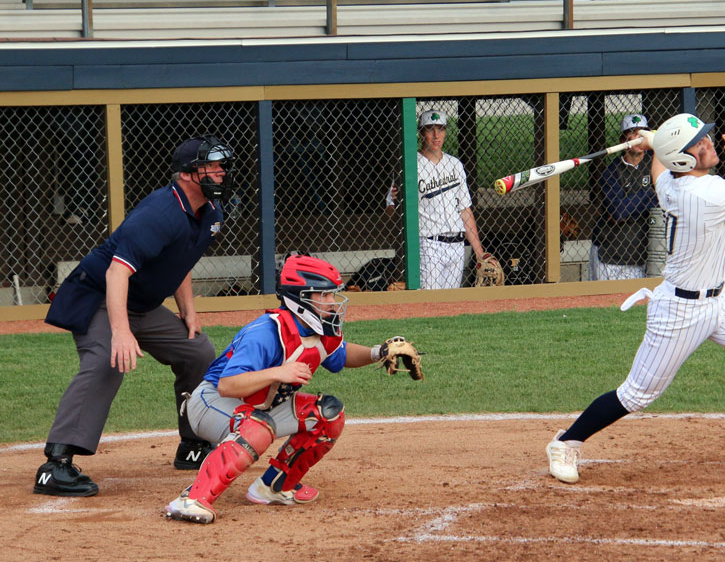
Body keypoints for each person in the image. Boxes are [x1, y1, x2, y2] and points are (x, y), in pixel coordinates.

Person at [546, 113, 725, 489]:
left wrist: (653, 142)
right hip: (680, 310)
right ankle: (566, 442)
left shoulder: (673, 183)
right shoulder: (705, 193)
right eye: (700, 143)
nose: (709, 143)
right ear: (684, 159)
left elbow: (658, 169)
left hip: (721, 298)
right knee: (636, 394)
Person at [35, 135, 236, 498]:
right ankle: (56, 464)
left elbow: (181, 261)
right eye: (213, 165)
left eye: (223, 165)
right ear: (188, 174)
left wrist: (188, 313)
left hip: (140, 303)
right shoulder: (159, 212)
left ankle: (193, 444)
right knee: (106, 360)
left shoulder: (210, 212)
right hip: (97, 297)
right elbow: (116, 273)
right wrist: (121, 331)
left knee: (199, 352)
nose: (222, 172)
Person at [165, 254, 411, 524]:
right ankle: (192, 499)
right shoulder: (266, 332)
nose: (332, 302)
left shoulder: (318, 330)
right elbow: (227, 385)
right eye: (324, 295)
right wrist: (278, 372)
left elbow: (341, 355)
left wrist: (379, 352)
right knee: (257, 428)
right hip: (211, 403)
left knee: (328, 414)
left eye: (332, 295)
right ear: (301, 298)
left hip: (259, 407)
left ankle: (274, 487)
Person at [386, 109, 488, 289]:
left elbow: (465, 210)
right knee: (430, 301)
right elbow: (390, 211)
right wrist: (397, 203)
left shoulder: (455, 164)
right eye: (430, 129)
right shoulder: (409, 166)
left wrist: (480, 253)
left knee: (451, 303)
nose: (436, 135)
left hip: (457, 245)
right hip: (429, 244)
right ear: (420, 133)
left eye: (440, 129)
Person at [590, 113, 657, 281]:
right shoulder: (612, 172)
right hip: (610, 254)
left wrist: (633, 202)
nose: (639, 137)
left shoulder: (655, 163)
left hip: (640, 256)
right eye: (633, 132)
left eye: (643, 132)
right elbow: (618, 211)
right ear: (623, 141)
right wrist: (651, 195)